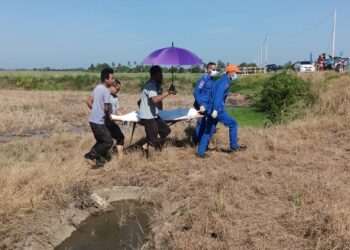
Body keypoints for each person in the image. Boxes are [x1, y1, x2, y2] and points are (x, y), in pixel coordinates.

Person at [197, 64, 246, 157]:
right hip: (217, 109)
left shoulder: (223, 80)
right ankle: (234, 146)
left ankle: (201, 152)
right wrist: (215, 110)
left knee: (209, 129)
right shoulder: (224, 82)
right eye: (235, 72)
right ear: (230, 72)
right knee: (233, 123)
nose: (236, 75)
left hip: (212, 108)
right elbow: (218, 97)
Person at [139, 65, 176, 158]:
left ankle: (147, 143)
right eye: (160, 74)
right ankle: (151, 159)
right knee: (152, 139)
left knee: (166, 130)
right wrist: (168, 92)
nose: (162, 76)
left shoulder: (154, 85)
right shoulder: (150, 86)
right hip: (148, 116)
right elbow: (155, 100)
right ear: (155, 75)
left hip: (154, 114)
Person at [84, 67, 115, 167]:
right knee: (109, 141)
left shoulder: (97, 88)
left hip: (92, 120)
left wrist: (95, 110)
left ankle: (95, 158)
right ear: (106, 79)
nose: (113, 80)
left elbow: (88, 101)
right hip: (99, 121)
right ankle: (90, 156)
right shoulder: (106, 91)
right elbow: (106, 108)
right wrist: (109, 117)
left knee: (101, 141)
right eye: (112, 78)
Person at [192, 62, 218, 145]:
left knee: (208, 123)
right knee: (201, 123)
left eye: (215, 69)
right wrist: (200, 104)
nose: (215, 71)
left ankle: (201, 141)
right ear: (209, 69)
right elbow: (196, 92)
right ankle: (196, 142)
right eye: (213, 69)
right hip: (201, 105)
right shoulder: (203, 80)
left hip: (208, 105)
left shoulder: (212, 79)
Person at [105, 80, 125, 157]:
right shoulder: (105, 95)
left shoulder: (116, 98)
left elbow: (117, 110)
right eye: (117, 89)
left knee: (120, 137)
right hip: (104, 121)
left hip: (112, 121)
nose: (118, 91)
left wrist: (123, 117)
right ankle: (102, 155)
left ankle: (120, 156)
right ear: (112, 86)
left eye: (119, 89)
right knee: (106, 140)